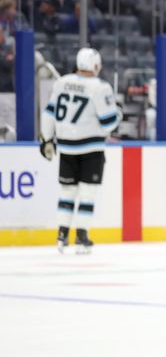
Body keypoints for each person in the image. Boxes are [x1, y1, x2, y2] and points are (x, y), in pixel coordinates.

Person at [38, 48, 120, 254]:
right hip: (90, 147)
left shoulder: (61, 82)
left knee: (67, 191)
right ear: (95, 65)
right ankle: (82, 236)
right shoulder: (100, 87)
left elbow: (49, 113)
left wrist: (46, 139)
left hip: (66, 146)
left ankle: (62, 235)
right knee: (87, 193)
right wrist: (118, 113)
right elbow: (109, 123)